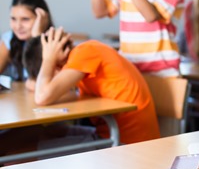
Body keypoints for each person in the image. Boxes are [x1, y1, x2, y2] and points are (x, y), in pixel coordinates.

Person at [23, 27, 161, 145]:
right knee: (38, 135)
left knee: (20, 158)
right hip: (112, 134)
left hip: (126, 142)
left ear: (55, 66)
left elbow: (41, 97)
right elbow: (37, 87)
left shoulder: (85, 52)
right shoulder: (79, 63)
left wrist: (48, 59)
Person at [0, 0, 53, 89]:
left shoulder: (54, 43)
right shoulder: (9, 40)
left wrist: (36, 37)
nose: (18, 26)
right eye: (13, 19)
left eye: (25, 19)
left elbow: (39, 83)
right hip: (19, 100)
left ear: (42, 18)